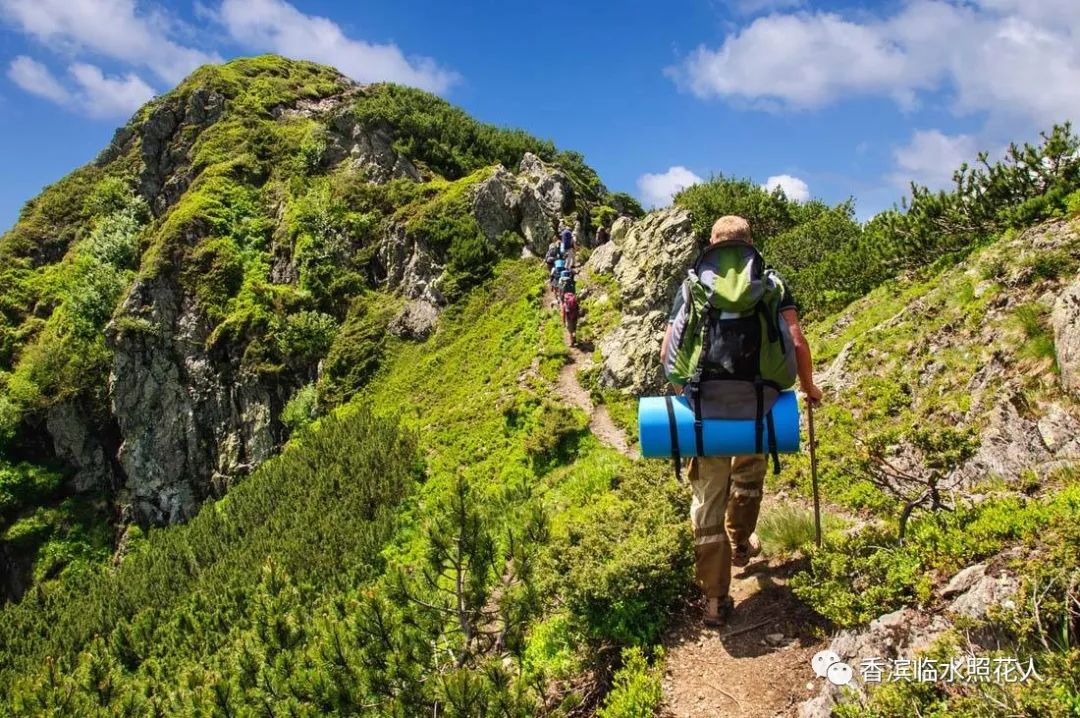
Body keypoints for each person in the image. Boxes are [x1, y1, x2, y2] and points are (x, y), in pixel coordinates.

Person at [659, 215, 823, 628]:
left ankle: (715, 599)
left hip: (705, 410)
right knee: (749, 478)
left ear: (713, 243)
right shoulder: (771, 282)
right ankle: (741, 543)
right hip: (758, 404)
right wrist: (809, 387)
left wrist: (688, 393)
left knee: (707, 501)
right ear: (750, 242)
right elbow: (796, 340)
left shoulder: (692, 284)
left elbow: (667, 353)